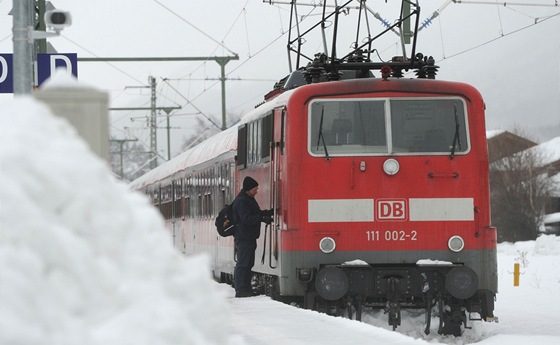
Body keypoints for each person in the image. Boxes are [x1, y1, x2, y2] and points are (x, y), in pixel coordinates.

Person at [232, 176, 273, 298]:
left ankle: (247, 288)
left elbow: (255, 213)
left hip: (249, 237)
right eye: (255, 189)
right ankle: (240, 290)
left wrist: (267, 213)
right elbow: (247, 218)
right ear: (248, 189)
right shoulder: (241, 202)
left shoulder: (248, 199)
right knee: (243, 264)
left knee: (248, 263)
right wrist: (261, 218)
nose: (257, 191)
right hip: (244, 237)